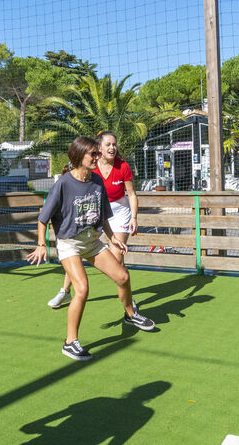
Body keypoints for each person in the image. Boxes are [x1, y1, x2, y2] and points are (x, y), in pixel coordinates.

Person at [27, 136, 156, 361]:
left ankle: (130, 314)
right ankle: (70, 342)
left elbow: (104, 217)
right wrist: (41, 245)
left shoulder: (97, 182)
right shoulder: (64, 184)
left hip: (93, 241)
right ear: (79, 157)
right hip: (69, 243)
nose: (98, 157)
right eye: (93, 154)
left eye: (98, 153)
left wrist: (113, 238)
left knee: (123, 277)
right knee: (83, 288)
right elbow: (42, 219)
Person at [47, 131, 139, 309]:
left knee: (117, 255)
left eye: (114, 144)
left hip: (119, 211)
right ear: (99, 149)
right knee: (76, 249)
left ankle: (128, 300)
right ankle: (65, 291)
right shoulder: (90, 165)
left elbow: (132, 194)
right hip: (94, 210)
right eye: (108, 145)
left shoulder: (123, 167)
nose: (112, 148)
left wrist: (134, 217)